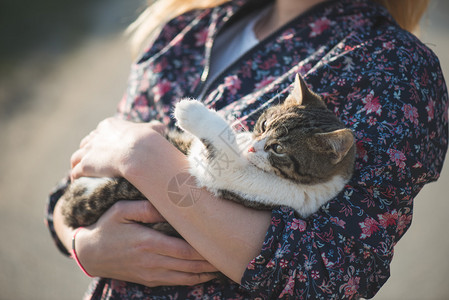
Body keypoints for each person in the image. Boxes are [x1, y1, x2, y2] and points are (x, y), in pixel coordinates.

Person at [46, 0, 448, 298]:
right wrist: (83, 247)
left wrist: (144, 156)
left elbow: (333, 277)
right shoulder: (186, 27)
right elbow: (70, 192)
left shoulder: (395, 67)